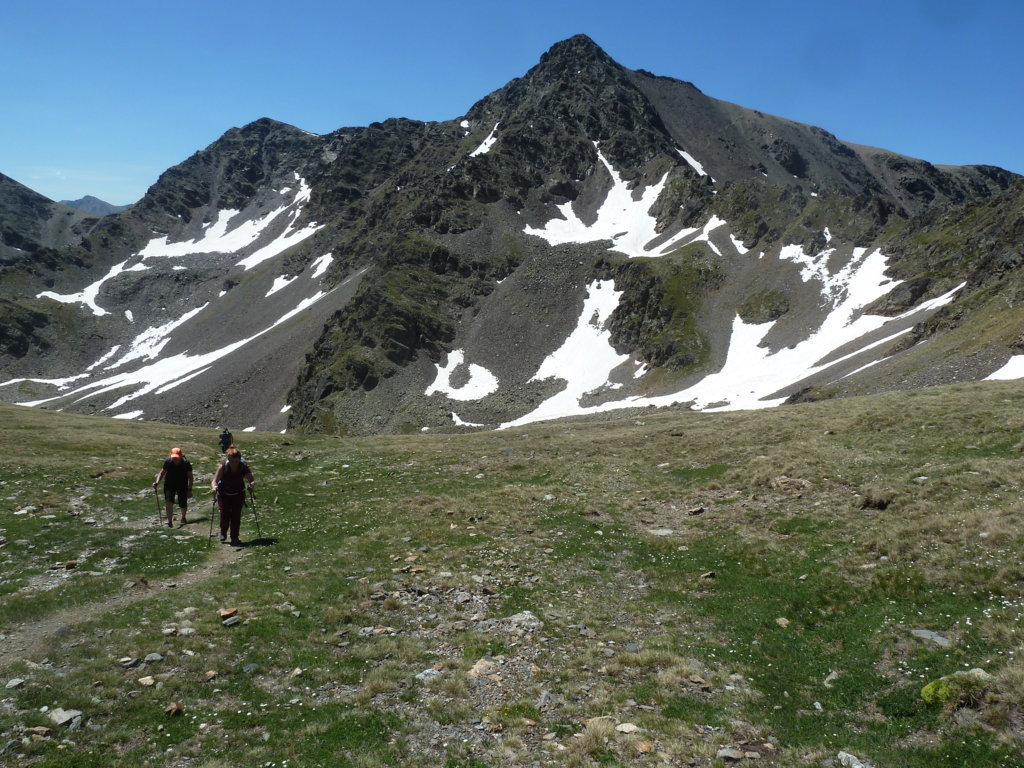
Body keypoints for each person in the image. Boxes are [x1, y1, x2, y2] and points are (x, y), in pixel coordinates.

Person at [211, 445, 255, 545]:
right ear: (228, 459)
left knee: (236, 515)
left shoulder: (243, 466)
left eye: (236, 461)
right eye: (232, 461)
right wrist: (214, 487)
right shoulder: (223, 466)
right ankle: (223, 532)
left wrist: (251, 486)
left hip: (238, 494)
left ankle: (234, 537)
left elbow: (251, 480)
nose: (234, 463)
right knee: (224, 513)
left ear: (239, 459)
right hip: (223, 494)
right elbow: (215, 481)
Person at [153, 447, 193, 528]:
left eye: (177, 458)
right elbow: (162, 473)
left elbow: (190, 477)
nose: (175, 459)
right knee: (169, 501)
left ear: (181, 456)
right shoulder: (168, 462)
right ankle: (170, 522)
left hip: (182, 484)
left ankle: (183, 517)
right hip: (169, 484)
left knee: (182, 502)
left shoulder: (186, 463)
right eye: (173, 457)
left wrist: (189, 489)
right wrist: (157, 482)